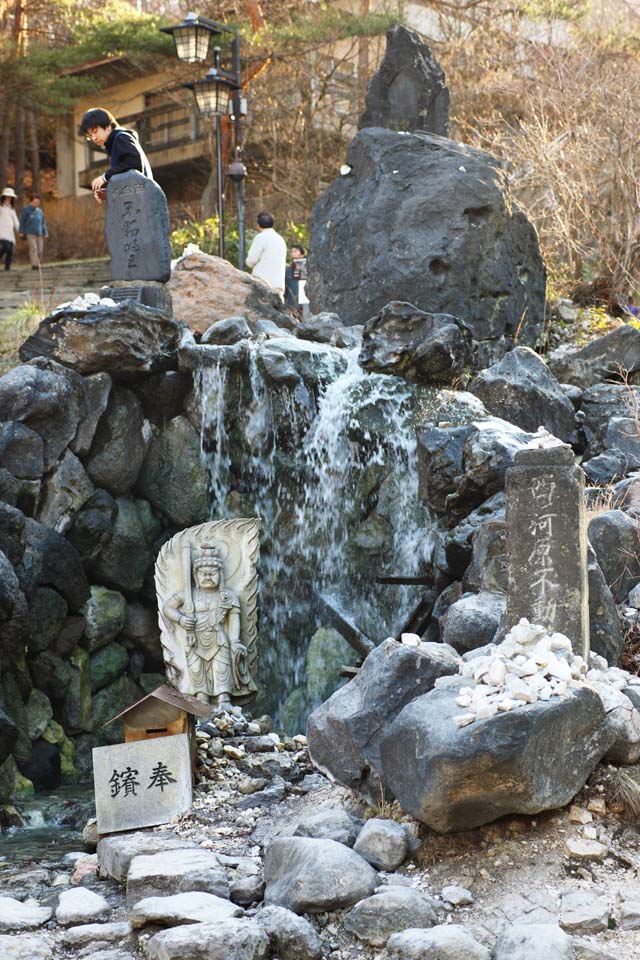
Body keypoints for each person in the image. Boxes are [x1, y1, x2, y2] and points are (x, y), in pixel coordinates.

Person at [163, 544, 255, 706]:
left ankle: (224, 699)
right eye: (202, 574)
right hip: (193, 638)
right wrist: (181, 619)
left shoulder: (228, 596)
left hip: (219, 638)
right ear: (194, 575)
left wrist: (234, 641)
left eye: (212, 573)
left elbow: (234, 620)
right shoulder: (188, 595)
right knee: (197, 669)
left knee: (221, 667)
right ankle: (201, 698)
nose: (207, 577)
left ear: (221, 574)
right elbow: (168, 608)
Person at [77, 107, 153, 204]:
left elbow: (135, 163)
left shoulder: (121, 138)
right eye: (90, 136)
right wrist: (110, 193)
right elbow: (127, 177)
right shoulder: (114, 143)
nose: (94, 138)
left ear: (108, 126)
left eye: (95, 131)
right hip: (139, 200)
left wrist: (105, 177)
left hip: (143, 202)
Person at [246, 211, 287, 296]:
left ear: (258, 224)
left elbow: (251, 260)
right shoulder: (280, 239)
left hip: (262, 283)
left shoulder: (260, 237)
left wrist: (248, 263)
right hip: (278, 283)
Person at [18, 194, 48, 270]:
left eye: (38, 202)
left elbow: (43, 222)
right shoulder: (26, 209)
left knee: (40, 250)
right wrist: (21, 231)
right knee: (33, 249)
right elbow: (22, 221)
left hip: (39, 233)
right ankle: (34, 265)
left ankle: (38, 264)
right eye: (35, 201)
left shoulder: (40, 211)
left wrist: (45, 232)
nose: (37, 203)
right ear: (31, 201)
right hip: (30, 233)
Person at [285, 244, 310, 320]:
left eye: (295, 251)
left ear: (302, 254)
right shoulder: (289, 268)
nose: (292, 253)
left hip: (303, 302)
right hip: (291, 301)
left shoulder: (304, 266)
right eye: (292, 251)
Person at [0, 188, 20, 271]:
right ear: (4, 197)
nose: (9, 198)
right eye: (7, 197)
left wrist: (20, 231)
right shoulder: (0, 207)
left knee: (10, 250)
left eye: (10, 197)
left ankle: (7, 268)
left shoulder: (12, 209)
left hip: (10, 233)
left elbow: (15, 220)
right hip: (1, 232)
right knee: (6, 247)